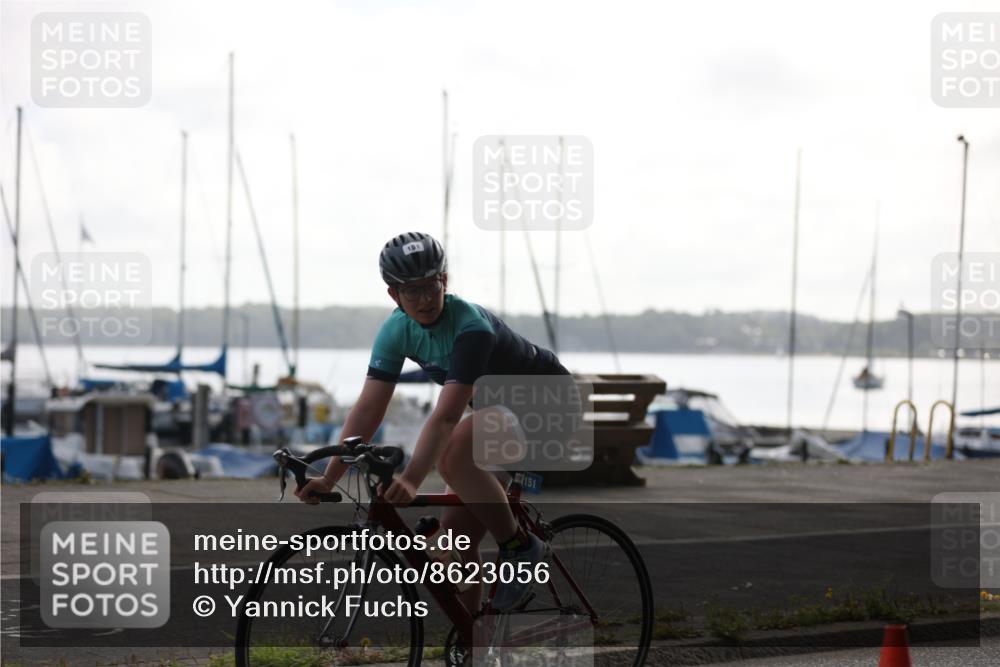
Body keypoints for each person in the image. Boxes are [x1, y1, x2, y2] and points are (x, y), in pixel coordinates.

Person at [296, 231, 569, 613]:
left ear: (445, 281)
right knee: (453, 544)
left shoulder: (471, 327)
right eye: (412, 291)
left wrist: (411, 478)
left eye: (430, 286)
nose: (424, 299)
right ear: (394, 295)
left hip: (547, 405)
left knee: (453, 452)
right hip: (499, 416)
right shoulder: (396, 330)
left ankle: (521, 549)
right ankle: (475, 638)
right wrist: (329, 477)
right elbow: (368, 410)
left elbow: (445, 418)